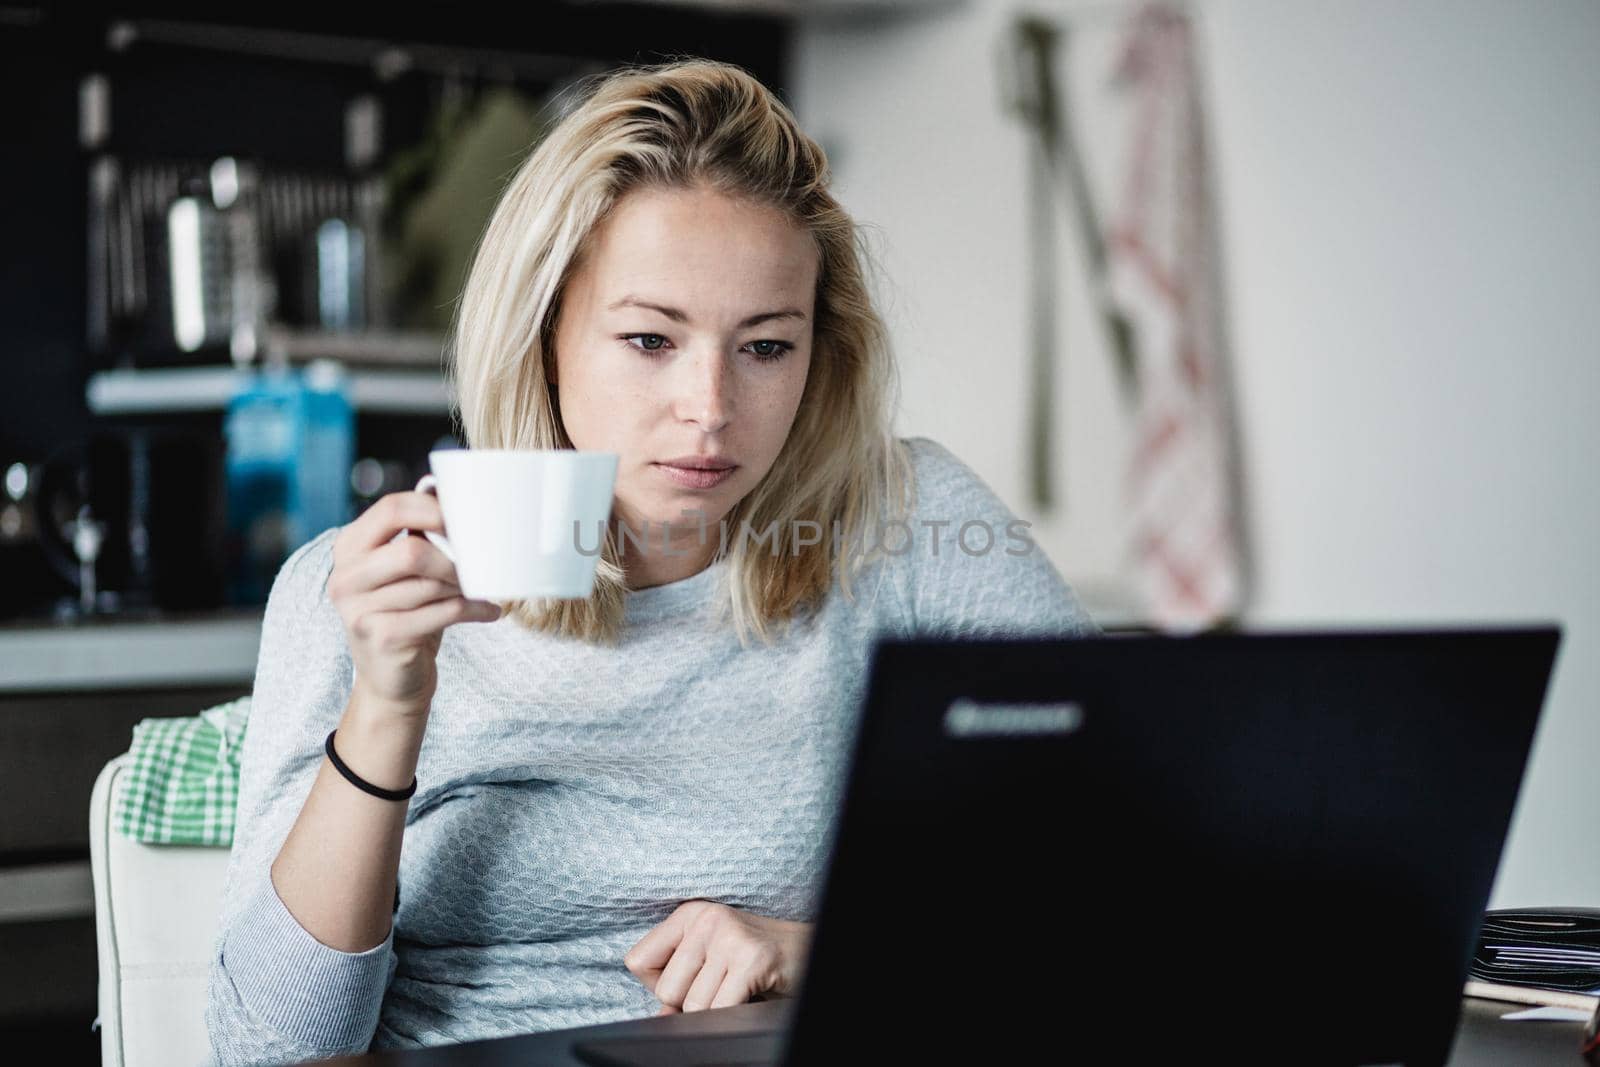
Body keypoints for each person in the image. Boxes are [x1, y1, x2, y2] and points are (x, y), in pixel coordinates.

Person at [204, 58, 1098, 1066]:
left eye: (765, 347)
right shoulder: (359, 590)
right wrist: (388, 701)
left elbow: (1135, 855)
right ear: (543, 334)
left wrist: (818, 950)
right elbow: (269, 1047)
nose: (710, 408)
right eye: (647, 339)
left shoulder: (908, 522)